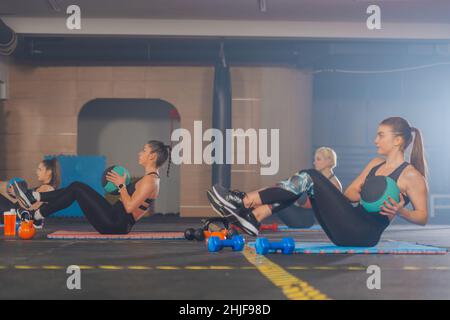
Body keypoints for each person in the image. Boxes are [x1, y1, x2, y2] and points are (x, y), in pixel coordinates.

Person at [207, 117, 428, 247]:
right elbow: (349, 195)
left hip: (364, 233)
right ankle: (254, 217)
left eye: (381, 135)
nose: (375, 140)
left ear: (398, 140)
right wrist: (365, 192)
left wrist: (401, 211)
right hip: (346, 226)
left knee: (309, 176)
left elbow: (423, 216)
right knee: (305, 182)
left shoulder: (411, 176)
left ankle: (244, 201)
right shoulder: (375, 164)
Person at [12, 140, 171, 234]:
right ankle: (36, 213)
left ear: (152, 156)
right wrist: (118, 187)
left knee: (77, 188)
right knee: (76, 188)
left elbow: (129, 207)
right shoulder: (148, 179)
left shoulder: (150, 181)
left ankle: (34, 202)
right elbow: (127, 202)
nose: (140, 153)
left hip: (115, 223)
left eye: (144, 150)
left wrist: (121, 184)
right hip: (113, 216)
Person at [0, 159, 60, 226]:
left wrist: (18, 194)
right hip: (15, 211)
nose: (37, 172)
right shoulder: (43, 187)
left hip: (19, 216)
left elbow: (30, 208)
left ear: (49, 172)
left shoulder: (48, 189)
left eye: (40, 169)